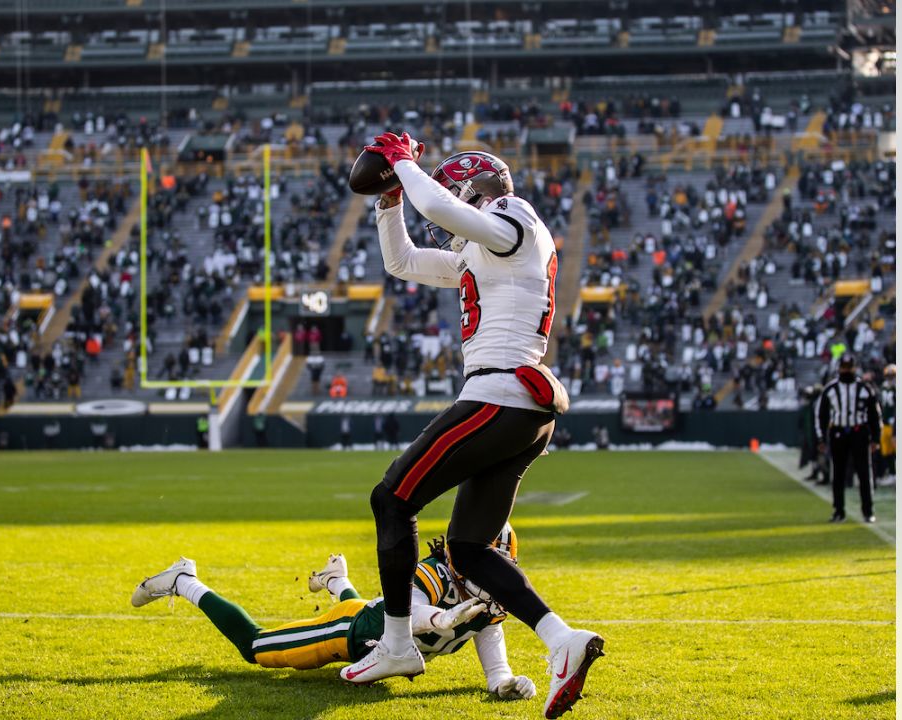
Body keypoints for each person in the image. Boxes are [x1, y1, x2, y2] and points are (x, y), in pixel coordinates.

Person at [349, 133, 602, 718]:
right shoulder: (481, 252)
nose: (444, 204)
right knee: (468, 548)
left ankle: (396, 643)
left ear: (477, 189)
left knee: (391, 500)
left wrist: (405, 164)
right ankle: (562, 640)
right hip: (517, 406)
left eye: (452, 188)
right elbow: (402, 262)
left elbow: (437, 207)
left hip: (500, 393)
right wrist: (389, 201)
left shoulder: (514, 215)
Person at [130, 528, 537, 701]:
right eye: (485, 563)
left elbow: (493, 657)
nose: (493, 575)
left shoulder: (491, 606)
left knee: (362, 607)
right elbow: (407, 610)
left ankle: (334, 578)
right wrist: (441, 620)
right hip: (347, 632)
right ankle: (185, 581)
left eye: (499, 564)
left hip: (369, 628)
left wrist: (502, 683)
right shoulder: (433, 572)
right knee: (255, 648)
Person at [816, 355, 883, 523]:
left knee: (863, 473)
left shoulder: (865, 389)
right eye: (844, 367)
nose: (847, 370)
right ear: (839, 368)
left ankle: (868, 511)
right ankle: (839, 511)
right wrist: (821, 439)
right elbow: (822, 416)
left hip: (859, 432)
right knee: (838, 474)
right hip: (838, 432)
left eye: (849, 367)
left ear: (855, 368)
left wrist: (876, 438)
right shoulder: (830, 389)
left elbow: (875, 415)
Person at [878, 364, 896, 487]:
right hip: (885, 424)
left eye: (892, 376)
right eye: (888, 375)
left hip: (895, 423)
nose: (890, 378)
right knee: (886, 449)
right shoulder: (883, 387)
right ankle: (892, 474)